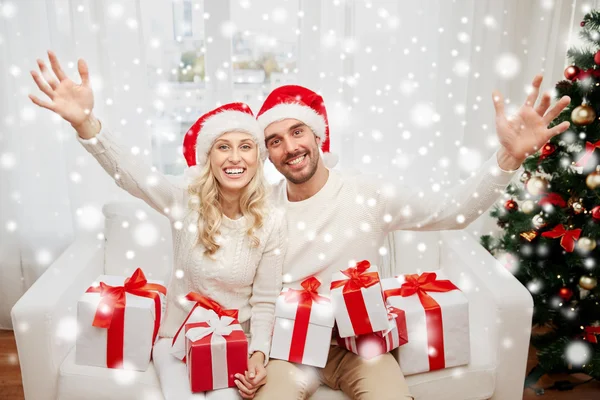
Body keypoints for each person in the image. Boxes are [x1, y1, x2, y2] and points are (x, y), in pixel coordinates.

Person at [251, 81, 571, 399]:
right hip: (292, 349)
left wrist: (507, 159)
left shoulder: (367, 194)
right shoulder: (264, 210)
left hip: (362, 348)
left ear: (317, 135)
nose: (290, 148)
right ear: (268, 154)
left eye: (297, 132)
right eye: (275, 141)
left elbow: (451, 211)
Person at [28, 51, 286, 400]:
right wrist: (85, 124)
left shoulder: (270, 219)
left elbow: (267, 301)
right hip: (177, 339)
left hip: (230, 342)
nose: (235, 157)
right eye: (223, 147)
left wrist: (258, 354)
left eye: (245, 147)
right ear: (208, 156)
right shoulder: (185, 201)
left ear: (258, 157)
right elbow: (132, 175)